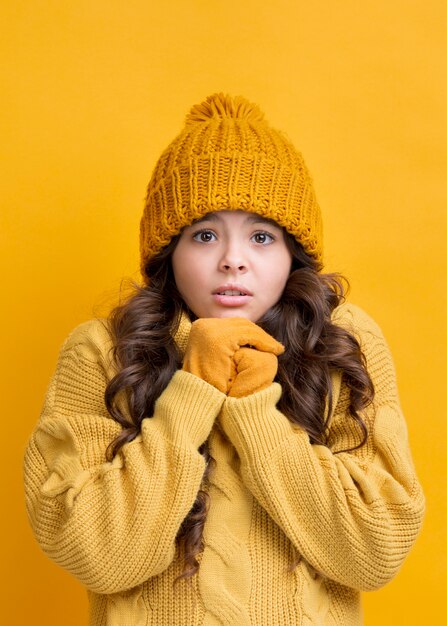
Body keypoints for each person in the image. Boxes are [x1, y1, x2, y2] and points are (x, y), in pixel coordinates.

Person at [24, 93, 425, 626]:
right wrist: (193, 391)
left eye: (262, 236)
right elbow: (95, 554)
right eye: (205, 234)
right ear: (168, 251)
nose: (233, 259)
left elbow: (376, 552)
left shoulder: (342, 343)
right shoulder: (102, 349)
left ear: (292, 255)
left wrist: (255, 408)